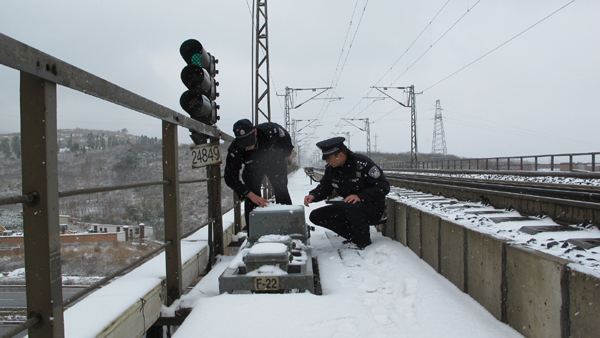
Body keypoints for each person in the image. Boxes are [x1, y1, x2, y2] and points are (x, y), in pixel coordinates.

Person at [303, 137, 390, 249]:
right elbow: (325, 187)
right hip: (349, 207)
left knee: (351, 206)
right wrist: (313, 195)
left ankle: (363, 241)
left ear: (341, 155)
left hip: (371, 207)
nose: (327, 161)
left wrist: (360, 197)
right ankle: (354, 236)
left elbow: (383, 186)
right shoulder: (332, 169)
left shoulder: (363, 164)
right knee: (316, 216)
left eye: (329, 158)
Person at [224, 118, 294, 230]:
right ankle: (254, 231)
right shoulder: (235, 149)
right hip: (253, 167)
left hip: (275, 161)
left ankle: (288, 226)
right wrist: (250, 194)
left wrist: (287, 153)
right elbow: (229, 177)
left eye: (249, 141)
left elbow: (285, 137)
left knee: (281, 189)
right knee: (251, 196)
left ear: (255, 132)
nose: (247, 146)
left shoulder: (271, 131)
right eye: (244, 144)